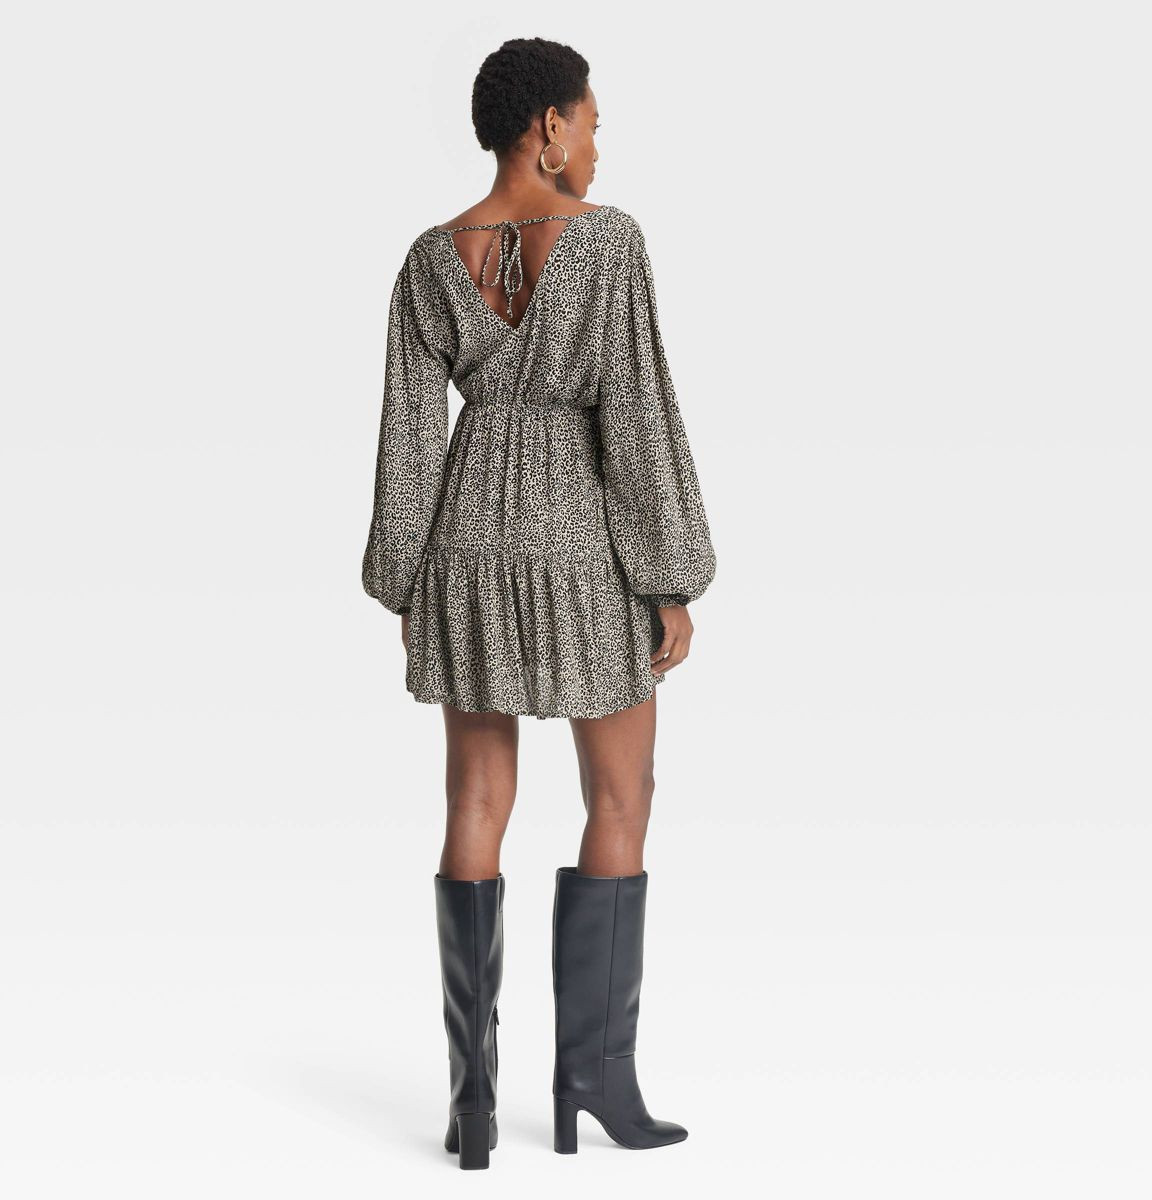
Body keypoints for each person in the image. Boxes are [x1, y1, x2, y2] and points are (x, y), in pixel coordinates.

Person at [360, 37, 717, 1170]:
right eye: (593, 122)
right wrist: (669, 574)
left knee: (475, 797)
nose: (600, 144)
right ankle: (594, 1082)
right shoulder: (607, 243)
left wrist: (407, 578)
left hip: (465, 543)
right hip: (583, 547)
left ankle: (473, 1105)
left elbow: (408, 440)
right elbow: (639, 416)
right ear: (548, 127)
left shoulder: (430, 258)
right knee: (622, 792)